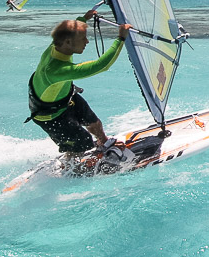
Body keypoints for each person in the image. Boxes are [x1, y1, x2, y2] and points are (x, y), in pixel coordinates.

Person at [27, 9, 132, 156]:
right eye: (83, 38)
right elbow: (101, 65)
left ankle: (104, 142)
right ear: (68, 42)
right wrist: (120, 38)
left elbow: (66, 31)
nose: (87, 41)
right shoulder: (57, 70)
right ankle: (71, 169)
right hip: (50, 117)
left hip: (65, 98)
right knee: (82, 142)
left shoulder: (56, 47)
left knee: (94, 122)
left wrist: (83, 19)